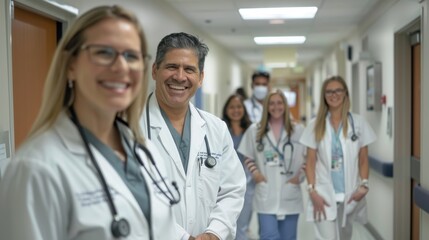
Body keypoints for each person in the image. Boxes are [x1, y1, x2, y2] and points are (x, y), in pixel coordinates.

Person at [0, 5, 184, 240]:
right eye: (104, 52)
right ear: (71, 65)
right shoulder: (36, 169)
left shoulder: (146, 153)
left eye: (131, 56)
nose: (121, 66)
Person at [140, 32, 246, 240]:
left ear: (201, 78)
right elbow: (131, 195)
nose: (180, 77)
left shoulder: (216, 129)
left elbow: (232, 190)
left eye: (189, 69)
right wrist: (182, 237)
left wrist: (214, 233)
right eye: (172, 67)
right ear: (155, 70)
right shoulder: (127, 127)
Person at [299, 76, 376, 240]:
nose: (334, 94)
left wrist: (364, 185)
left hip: (350, 194)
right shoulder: (315, 125)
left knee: (345, 236)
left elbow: (363, 159)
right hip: (323, 195)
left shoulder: (358, 123)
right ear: (324, 96)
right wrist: (312, 191)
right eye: (329, 91)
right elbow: (310, 162)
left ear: (345, 94)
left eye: (338, 90)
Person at [238, 89, 306, 240]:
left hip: (290, 190)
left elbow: (310, 158)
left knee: (288, 237)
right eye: (272, 103)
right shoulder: (255, 130)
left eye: (280, 103)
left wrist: (299, 177)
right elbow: (248, 156)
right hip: (266, 191)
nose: (276, 107)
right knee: (268, 236)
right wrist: (255, 174)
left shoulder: (298, 130)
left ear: (285, 105)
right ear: (266, 106)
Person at [221, 94, 253, 240]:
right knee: (224, 225)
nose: (235, 110)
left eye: (239, 107)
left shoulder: (251, 130)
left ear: (244, 109)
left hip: (247, 184)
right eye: (232, 107)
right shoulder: (220, 129)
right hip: (224, 184)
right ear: (226, 110)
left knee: (242, 225)